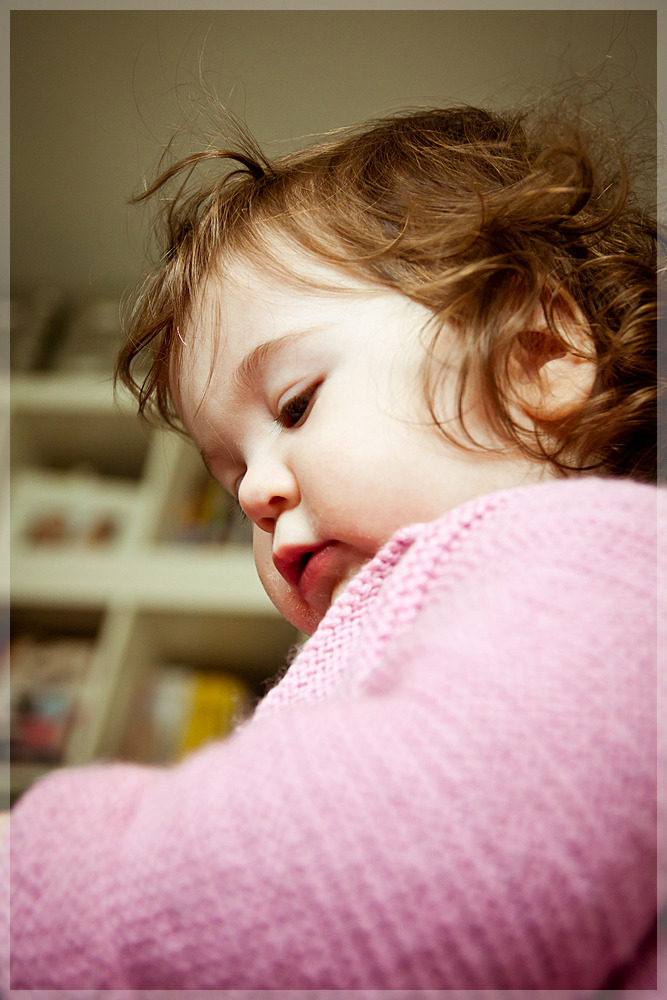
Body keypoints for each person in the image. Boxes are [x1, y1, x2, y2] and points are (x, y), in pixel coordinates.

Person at [2, 99, 663, 993]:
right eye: (228, 473)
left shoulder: (599, 573)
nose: (253, 493)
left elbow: (402, 871)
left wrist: (54, 876)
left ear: (536, 358)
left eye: (296, 405)